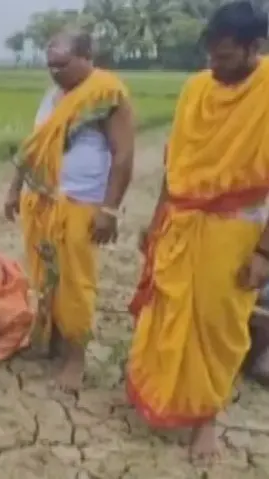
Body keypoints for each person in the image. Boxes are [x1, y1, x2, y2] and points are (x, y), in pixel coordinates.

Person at [128, 1, 269, 461]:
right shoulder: (194, 89)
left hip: (235, 229)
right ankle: (161, 398)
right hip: (180, 222)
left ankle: (205, 418)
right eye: (210, 55)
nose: (214, 65)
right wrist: (154, 224)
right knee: (165, 311)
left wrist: (265, 254)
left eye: (225, 57)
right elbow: (177, 165)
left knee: (216, 326)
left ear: (255, 48)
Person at [3, 28, 135, 393]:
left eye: (62, 64)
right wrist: (14, 190)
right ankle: (52, 341)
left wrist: (109, 210)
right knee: (45, 274)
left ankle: (75, 357)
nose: (55, 72)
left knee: (75, 280)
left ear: (86, 56)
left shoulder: (106, 94)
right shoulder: (52, 97)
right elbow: (34, 147)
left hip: (80, 203)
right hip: (41, 200)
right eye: (50, 65)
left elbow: (123, 157)